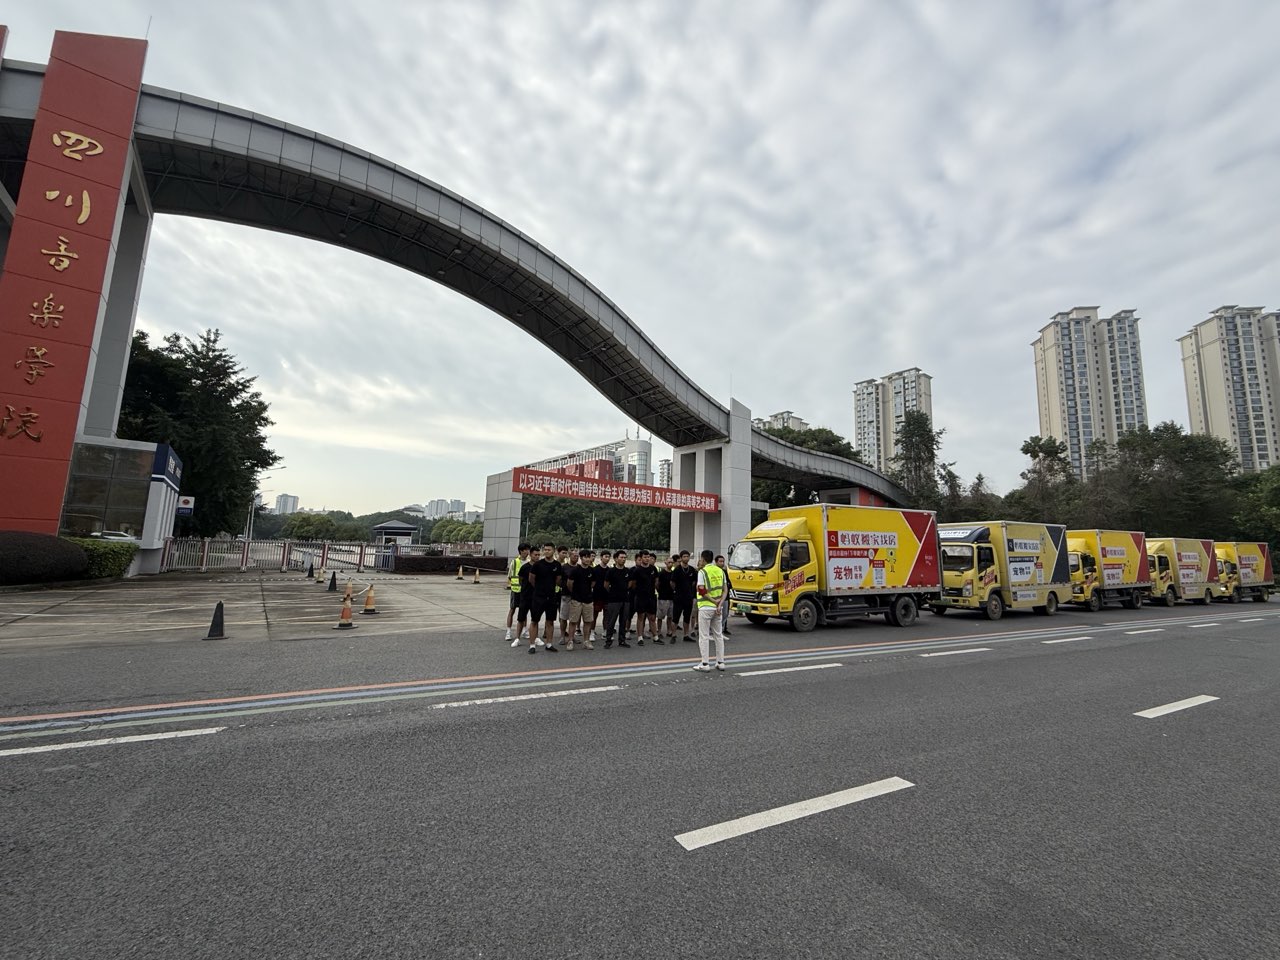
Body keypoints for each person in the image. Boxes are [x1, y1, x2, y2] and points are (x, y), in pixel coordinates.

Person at [692, 548, 727, 672]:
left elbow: (701, 590)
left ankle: (705, 663)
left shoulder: (702, 572)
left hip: (706, 607)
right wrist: (719, 603)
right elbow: (725, 590)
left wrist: (713, 601)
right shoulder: (720, 570)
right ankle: (721, 662)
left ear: (703, 559)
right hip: (718, 608)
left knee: (704, 636)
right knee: (718, 635)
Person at [525, 542, 563, 653]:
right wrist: (539, 589)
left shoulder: (557, 565)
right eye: (545, 549)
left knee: (550, 621)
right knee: (534, 621)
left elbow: (558, 580)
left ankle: (549, 644)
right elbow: (531, 579)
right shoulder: (537, 564)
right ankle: (532, 645)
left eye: (549, 549)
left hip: (551, 597)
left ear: (554, 551)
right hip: (538, 597)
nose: (547, 551)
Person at [564, 550, 595, 650]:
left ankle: (586, 641)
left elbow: (593, 583)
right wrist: (575, 593)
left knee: (588, 621)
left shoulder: (592, 570)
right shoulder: (575, 570)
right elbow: (569, 584)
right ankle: (570, 641)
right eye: (585, 557)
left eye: (588, 557)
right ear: (581, 558)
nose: (587, 559)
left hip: (588, 600)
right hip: (576, 600)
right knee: (573, 621)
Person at [602, 549, 631, 648]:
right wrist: (612, 592)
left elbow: (630, 583)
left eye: (624, 558)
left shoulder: (627, 571)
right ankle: (608, 640)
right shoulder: (611, 571)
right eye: (621, 557)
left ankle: (622, 640)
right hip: (613, 600)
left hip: (625, 600)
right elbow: (606, 585)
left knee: (623, 621)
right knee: (611, 621)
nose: (623, 559)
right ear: (616, 559)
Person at [504, 542, 531, 642]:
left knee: (524, 611)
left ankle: (525, 630)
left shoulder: (529, 562)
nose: (528, 552)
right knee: (512, 610)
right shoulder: (514, 562)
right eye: (526, 550)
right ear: (521, 551)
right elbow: (510, 576)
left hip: (525, 591)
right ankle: (508, 631)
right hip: (515, 590)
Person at [629, 550, 658, 644]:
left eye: (648, 557)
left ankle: (655, 637)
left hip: (651, 596)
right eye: (645, 557)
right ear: (641, 558)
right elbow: (633, 584)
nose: (647, 559)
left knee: (652, 617)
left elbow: (656, 581)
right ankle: (640, 637)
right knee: (641, 617)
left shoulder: (653, 569)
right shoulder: (637, 570)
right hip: (640, 596)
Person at [672, 550, 698, 643]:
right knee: (676, 617)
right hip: (678, 597)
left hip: (688, 597)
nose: (686, 558)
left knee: (687, 617)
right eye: (684, 557)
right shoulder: (677, 570)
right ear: (681, 558)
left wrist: (690, 591)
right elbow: (672, 583)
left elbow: (695, 582)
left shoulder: (692, 570)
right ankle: (673, 635)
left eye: (687, 556)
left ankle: (686, 635)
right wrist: (676, 591)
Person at [654, 555, 676, 643]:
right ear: (665, 563)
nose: (670, 564)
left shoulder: (673, 573)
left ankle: (669, 630)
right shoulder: (661, 573)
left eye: (672, 562)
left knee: (670, 616)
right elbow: (657, 584)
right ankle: (659, 630)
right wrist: (659, 591)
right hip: (663, 597)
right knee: (660, 616)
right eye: (669, 562)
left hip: (671, 597)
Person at [557, 547, 575, 639]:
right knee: (563, 617)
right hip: (565, 595)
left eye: (577, 556)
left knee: (574, 618)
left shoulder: (579, 568)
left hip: (576, 596)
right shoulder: (564, 567)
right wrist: (565, 587)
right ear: (570, 556)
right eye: (574, 556)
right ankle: (562, 636)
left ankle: (572, 636)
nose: (575, 557)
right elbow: (558, 580)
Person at [716, 554, 732, 637]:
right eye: (720, 561)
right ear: (716, 562)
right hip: (717, 597)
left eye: (723, 561)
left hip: (725, 597)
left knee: (725, 614)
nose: (722, 563)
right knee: (717, 615)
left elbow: (729, 584)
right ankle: (715, 631)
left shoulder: (725, 572)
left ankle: (722, 630)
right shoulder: (714, 572)